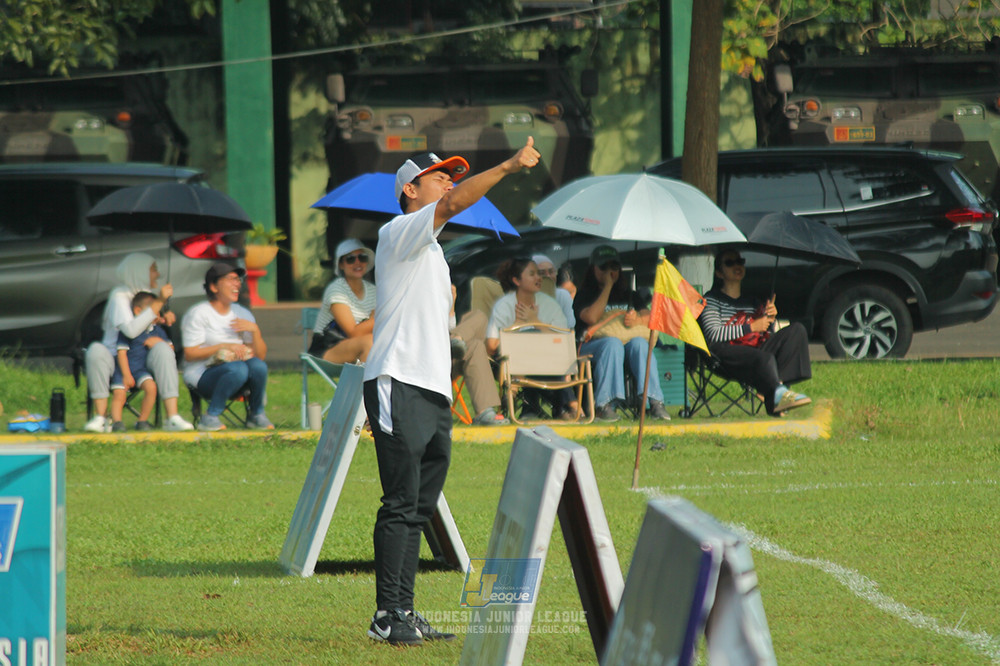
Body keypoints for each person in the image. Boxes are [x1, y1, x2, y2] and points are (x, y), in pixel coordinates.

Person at [363, 139, 540, 646]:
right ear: (409, 190)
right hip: (399, 380)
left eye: (449, 174)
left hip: (431, 389)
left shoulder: (431, 250)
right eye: (438, 174)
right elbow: (453, 203)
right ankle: (386, 616)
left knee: (420, 504)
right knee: (400, 502)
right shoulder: (399, 229)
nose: (447, 180)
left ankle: (405, 610)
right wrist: (508, 165)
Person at [84, 253, 194, 433]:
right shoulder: (119, 295)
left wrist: (162, 318)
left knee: (164, 349)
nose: (157, 275)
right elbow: (130, 330)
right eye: (153, 270)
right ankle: (101, 418)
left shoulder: (148, 296)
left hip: (143, 358)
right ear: (138, 272)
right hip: (116, 358)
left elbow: (149, 322)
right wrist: (158, 302)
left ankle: (172, 417)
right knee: (95, 350)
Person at [698, 248, 812, 416]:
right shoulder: (711, 300)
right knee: (763, 357)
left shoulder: (752, 302)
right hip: (724, 356)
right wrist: (750, 327)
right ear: (719, 273)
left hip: (755, 353)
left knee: (797, 331)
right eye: (730, 263)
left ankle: (775, 390)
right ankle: (775, 392)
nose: (737, 266)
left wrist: (769, 319)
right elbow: (713, 335)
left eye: (740, 262)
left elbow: (764, 334)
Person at [573, 245, 670, 422]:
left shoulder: (629, 294)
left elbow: (649, 316)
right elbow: (591, 318)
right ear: (593, 269)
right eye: (604, 267)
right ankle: (604, 405)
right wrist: (607, 287)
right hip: (590, 347)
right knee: (612, 343)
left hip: (625, 347)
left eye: (614, 267)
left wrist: (637, 320)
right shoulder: (584, 294)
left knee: (640, 344)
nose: (610, 272)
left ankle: (655, 402)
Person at [181, 263, 273, 432]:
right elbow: (190, 354)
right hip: (202, 375)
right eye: (231, 280)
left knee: (258, 366)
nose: (237, 284)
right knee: (238, 369)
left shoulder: (242, 313)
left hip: (237, 372)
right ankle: (210, 417)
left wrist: (255, 331)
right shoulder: (199, 313)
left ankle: (256, 414)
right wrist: (224, 346)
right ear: (214, 286)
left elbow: (259, 357)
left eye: (238, 280)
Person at [486, 257, 580, 420]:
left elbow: (564, 344)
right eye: (532, 274)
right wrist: (516, 324)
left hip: (547, 363)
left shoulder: (550, 305)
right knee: (527, 344)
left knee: (543, 351)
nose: (539, 278)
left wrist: (536, 322)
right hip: (512, 365)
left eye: (538, 274)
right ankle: (571, 406)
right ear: (516, 280)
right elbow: (491, 347)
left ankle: (537, 408)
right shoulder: (505, 306)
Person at [109, 291, 172, 432]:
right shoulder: (129, 329)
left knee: (151, 388)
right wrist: (126, 375)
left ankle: (142, 420)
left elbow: (171, 348)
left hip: (141, 370)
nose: (156, 313)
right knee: (120, 394)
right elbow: (122, 353)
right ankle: (117, 422)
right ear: (138, 311)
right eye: (152, 310)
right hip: (123, 369)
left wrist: (159, 342)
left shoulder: (157, 331)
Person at [448, 280, 509, 426]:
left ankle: (484, 412)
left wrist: (451, 304)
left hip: (447, 356)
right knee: (474, 344)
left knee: (478, 319)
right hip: (429, 364)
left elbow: (449, 326)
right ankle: (456, 339)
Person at [310, 239, 376, 364]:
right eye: (350, 259)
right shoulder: (336, 290)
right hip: (328, 347)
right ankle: (361, 384)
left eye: (362, 257)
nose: (357, 262)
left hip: (360, 344)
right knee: (370, 342)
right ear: (341, 265)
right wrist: (383, 315)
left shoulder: (374, 290)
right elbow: (353, 333)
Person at [531, 253, 575, 328]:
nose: (548, 276)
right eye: (542, 273)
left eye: (551, 272)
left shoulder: (562, 295)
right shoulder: (524, 297)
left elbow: (570, 324)